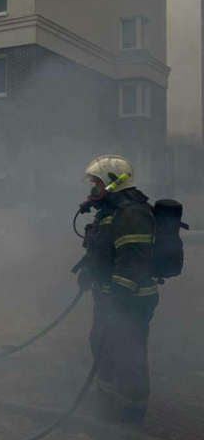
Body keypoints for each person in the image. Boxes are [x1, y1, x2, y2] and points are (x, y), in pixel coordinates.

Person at [77, 155, 158, 424]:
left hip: (131, 300)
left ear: (114, 183)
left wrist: (119, 297)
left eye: (97, 183)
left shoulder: (132, 214)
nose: (93, 189)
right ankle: (107, 405)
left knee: (128, 354)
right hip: (109, 296)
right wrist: (89, 269)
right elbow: (102, 249)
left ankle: (131, 413)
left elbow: (133, 260)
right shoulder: (109, 212)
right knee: (102, 344)